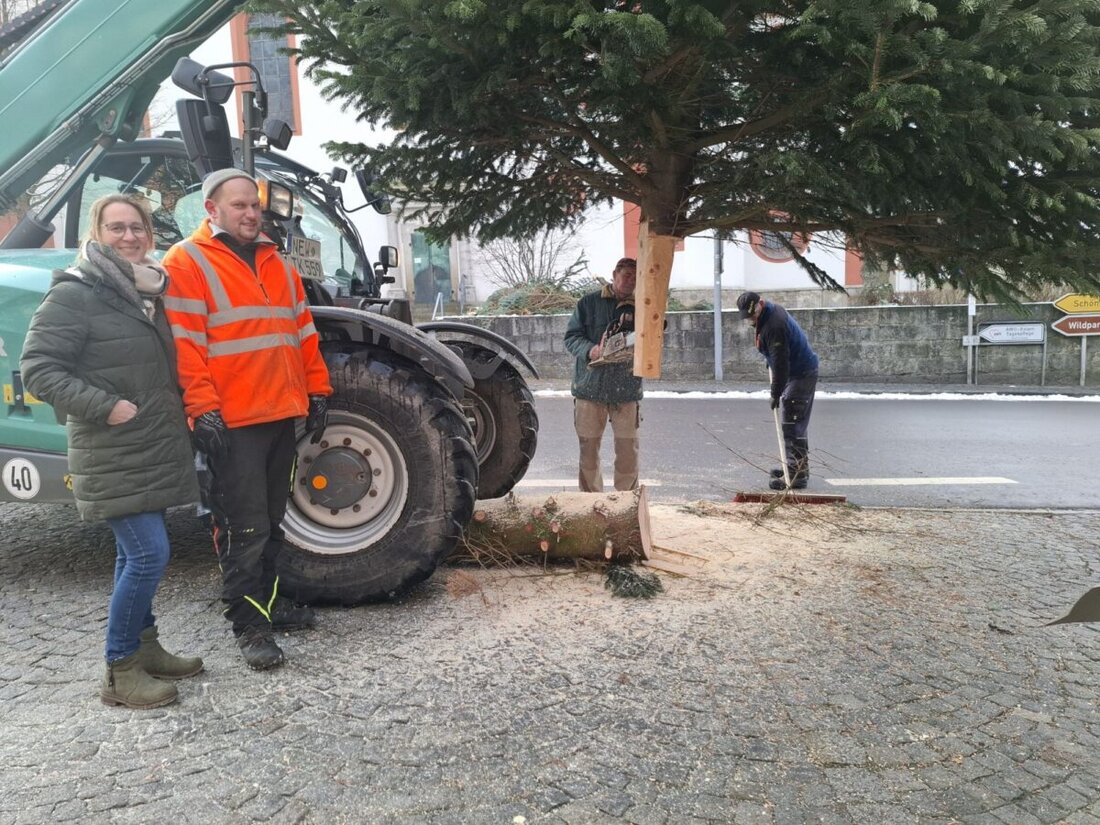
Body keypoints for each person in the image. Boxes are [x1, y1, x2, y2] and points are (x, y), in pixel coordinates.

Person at [21, 195, 203, 709]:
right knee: (149, 554)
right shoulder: (76, 294)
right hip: (112, 444)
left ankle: (146, 648)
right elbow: (38, 368)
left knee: (133, 554)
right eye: (116, 228)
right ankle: (119, 669)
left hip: (152, 443)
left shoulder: (146, 289)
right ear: (96, 234)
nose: (129, 237)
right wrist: (106, 406)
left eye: (137, 227)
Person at [162, 168, 332, 671]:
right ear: (210, 210)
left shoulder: (275, 261)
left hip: (279, 412)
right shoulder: (187, 261)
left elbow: (302, 330)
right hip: (232, 421)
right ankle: (248, 624)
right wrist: (202, 408)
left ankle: (269, 603)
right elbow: (186, 345)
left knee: (273, 522)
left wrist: (317, 389)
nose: (250, 212)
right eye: (238, 205)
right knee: (243, 526)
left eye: (254, 205)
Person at [564, 257, 644, 492]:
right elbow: (571, 338)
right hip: (590, 389)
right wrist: (591, 350)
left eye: (634, 276)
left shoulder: (642, 306)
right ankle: (591, 503)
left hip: (627, 390)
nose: (630, 280)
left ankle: (626, 503)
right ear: (614, 274)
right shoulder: (588, 303)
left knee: (628, 452)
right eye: (626, 275)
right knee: (588, 452)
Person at [737, 291, 820, 490]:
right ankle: (796, 468)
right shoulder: (768, 314)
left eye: (752, 314)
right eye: (747, 316)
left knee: (792, 424)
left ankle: (796, 476)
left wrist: (775, 393)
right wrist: (770, 361)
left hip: (800, 374)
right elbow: (776, 355)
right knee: (796, 423)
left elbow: (781, 364)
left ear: (760, 304)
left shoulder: (774, 325)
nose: (751, 319)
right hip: (798, 371)